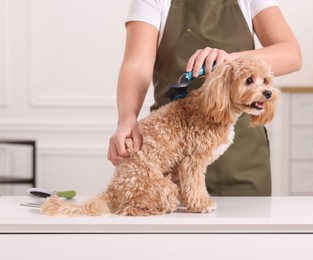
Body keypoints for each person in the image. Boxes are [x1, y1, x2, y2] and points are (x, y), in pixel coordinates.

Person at [107, 0, 301, 196]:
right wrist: (127, 118)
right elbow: (137, 64)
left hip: (244, 157)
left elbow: (292, 55)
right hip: (171, 157)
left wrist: (231, 62)